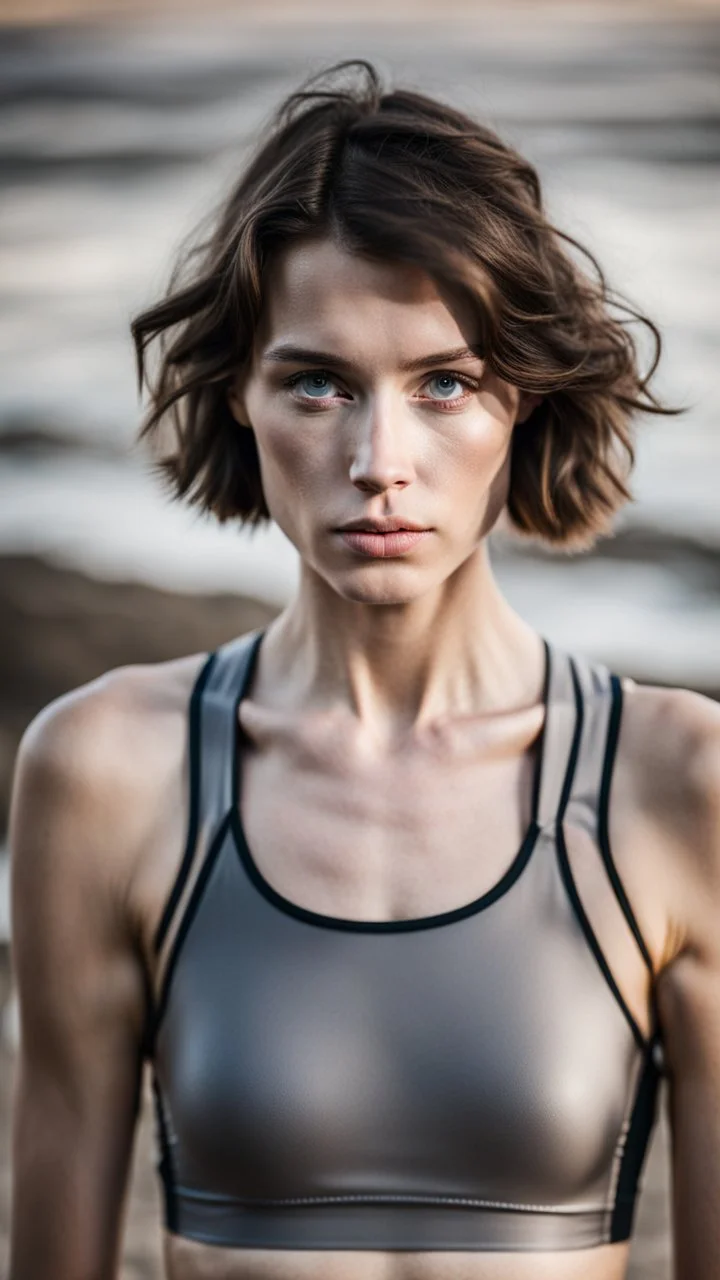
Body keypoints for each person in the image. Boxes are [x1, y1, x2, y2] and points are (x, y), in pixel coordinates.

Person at [8, 60, 720, 1280]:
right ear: (240, 395)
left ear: (526, 406)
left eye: (446, 382)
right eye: (318, 382)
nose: (378, 457)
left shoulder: (681, 779)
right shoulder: (104, 769)